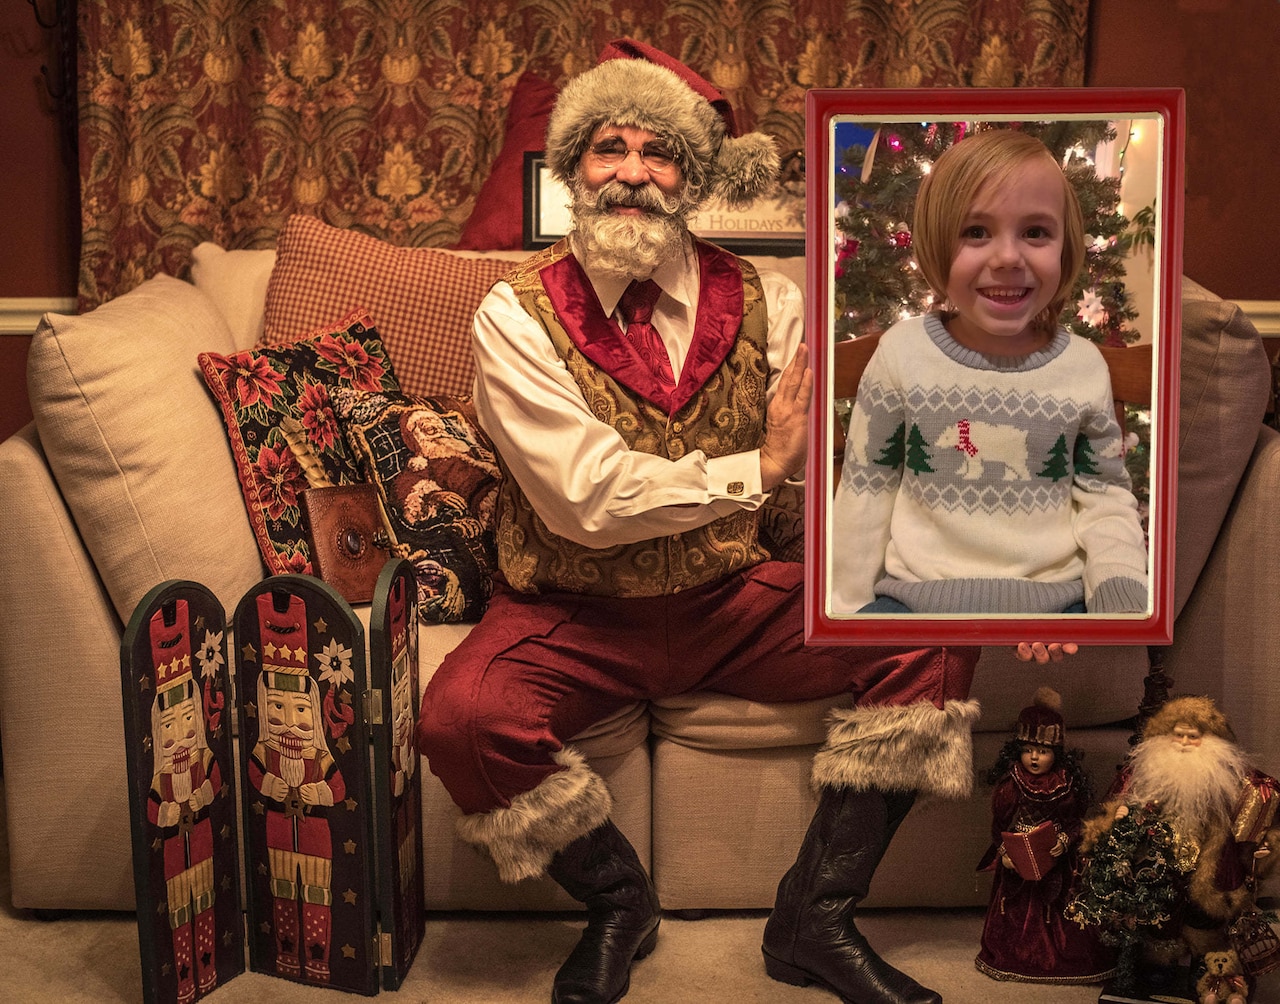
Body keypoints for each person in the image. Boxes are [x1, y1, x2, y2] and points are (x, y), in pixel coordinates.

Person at [416, 40, 1066, 1004]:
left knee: (935, 628)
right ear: (572, 170)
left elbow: (835, 483)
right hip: (573, 611)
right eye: (607, 146)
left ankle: (815, 919)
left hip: (733, 601)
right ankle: (615, 904)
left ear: (692, 175)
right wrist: (755, 467)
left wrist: (988, 570)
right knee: (461, 721)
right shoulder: (511, 316)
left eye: (659, 151)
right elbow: (583, 501)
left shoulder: (773, 300)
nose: (633, 170)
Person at [830, 128, 1148, 618]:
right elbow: (866, 488)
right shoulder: (901, 354)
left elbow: (1105, 495)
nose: (1006, 258)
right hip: (911, 604)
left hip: (1057, 607)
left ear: (1064, 247)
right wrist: (846, 610)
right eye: (976, 232)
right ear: (937, 243)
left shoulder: (1085, 367)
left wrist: (1118, 601)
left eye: (1036, 232)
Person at [1079, 696, 1280, 968]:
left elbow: (1259, 810)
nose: (1184, 743)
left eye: (1193, 737)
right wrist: (1116, 817)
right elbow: (1115, 805)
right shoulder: (1142, 771)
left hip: (1212, 856)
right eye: (1178, 736)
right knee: (1159, 909)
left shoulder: (1233, 777)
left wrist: (1263, 845)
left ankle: (1206, 959)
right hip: (1158, 857)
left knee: (1206, 912)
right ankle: (1159, 961)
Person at [974, 687, 1114, 984]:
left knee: (1062, 906)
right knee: (1015, 908)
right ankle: (1016, 956)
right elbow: (998, 825)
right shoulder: (1011, 783)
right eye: (1028, 749)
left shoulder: (1067, 783)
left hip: (1056, 856)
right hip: (1019, 858)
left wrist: (1065, 840)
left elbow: (1076, 821)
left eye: (1043, 751)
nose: (1034, 757)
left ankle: (1062, 958)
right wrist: (1005, 852)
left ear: (1057, 752)